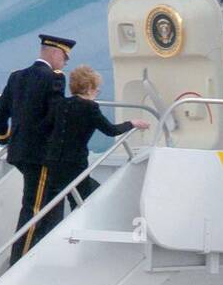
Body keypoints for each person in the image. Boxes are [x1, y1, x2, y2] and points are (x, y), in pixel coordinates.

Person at [0, 32, 75, 265]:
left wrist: (5, 139)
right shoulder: (55, 78)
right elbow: (55, 117)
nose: (65, 63)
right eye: (65, 58)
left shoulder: (16, 77)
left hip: (19, 153)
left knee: (47, 203)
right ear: (56, 53)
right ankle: (19, 261)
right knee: (34, 209)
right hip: (41, 156)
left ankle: (40, 253)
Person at [39, 65, 146, 237]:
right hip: (75, 163)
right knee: (84, 199)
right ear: (89, 88)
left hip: (53, 162)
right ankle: (76, 237)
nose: (97, 92)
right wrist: (132, 123)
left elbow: (45, 128)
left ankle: (51, 236)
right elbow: (111, 130)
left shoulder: (60, 104)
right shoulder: (90, 108)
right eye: (97, 89)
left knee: (55, 203)